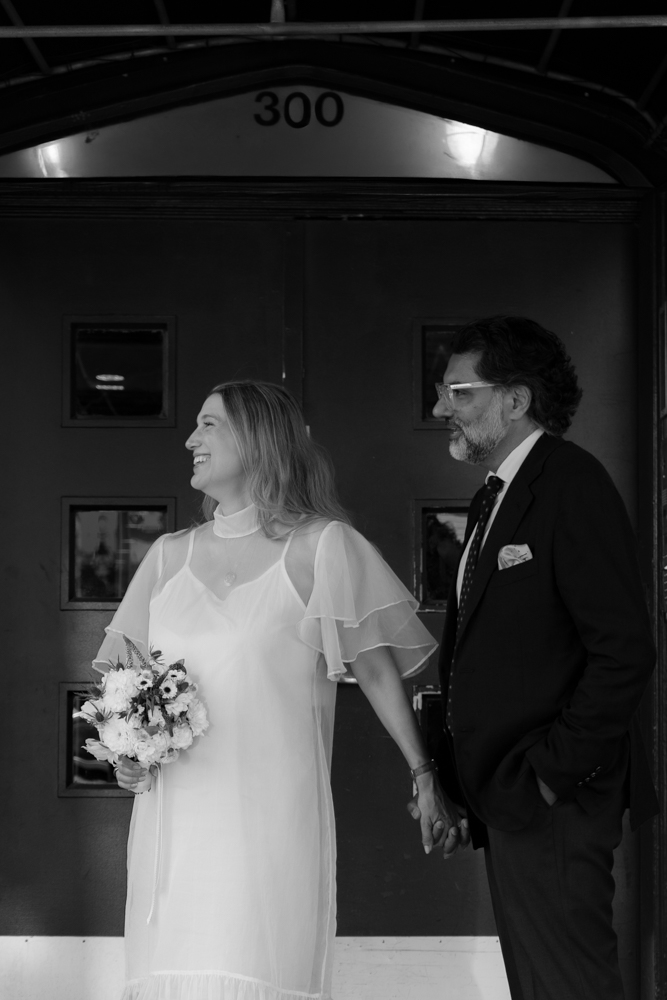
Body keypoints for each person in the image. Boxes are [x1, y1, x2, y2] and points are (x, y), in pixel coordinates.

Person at [101, 380, 462, 1000]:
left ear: (257, 437)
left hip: (270, 817)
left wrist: (424, 774)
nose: (191, 439)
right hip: (175, 825)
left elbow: (375, 673)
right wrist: (126, 755)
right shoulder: (166, 557)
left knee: (258, 968)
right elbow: (122, 682)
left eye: (208, 424)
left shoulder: (323, 547)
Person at [432, 316, 658, 1000]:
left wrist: (550, 776)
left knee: (570, 986)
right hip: (510, 799)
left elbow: (622, 650)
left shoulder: (570, 484)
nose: (443, 408)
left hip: (552, 800)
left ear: (515, 399)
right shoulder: (493, 496)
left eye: (458, 392)